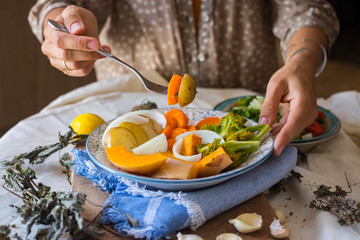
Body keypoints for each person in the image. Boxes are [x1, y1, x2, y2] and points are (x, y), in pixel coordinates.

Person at [28, 0, 339, 156]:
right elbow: (58, 6)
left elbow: (305, 9)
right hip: (131, 111)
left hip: (256, 112)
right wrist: (66, 22)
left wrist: (302, 60)